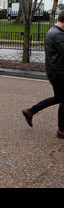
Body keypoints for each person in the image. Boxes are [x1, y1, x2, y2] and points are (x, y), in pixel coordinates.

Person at [22, 10, 64, 139]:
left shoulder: (55, 31)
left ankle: (31, 111)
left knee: (58, 98)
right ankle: (62, 130)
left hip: (55, 71)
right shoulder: (57, 35)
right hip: (59, 72)